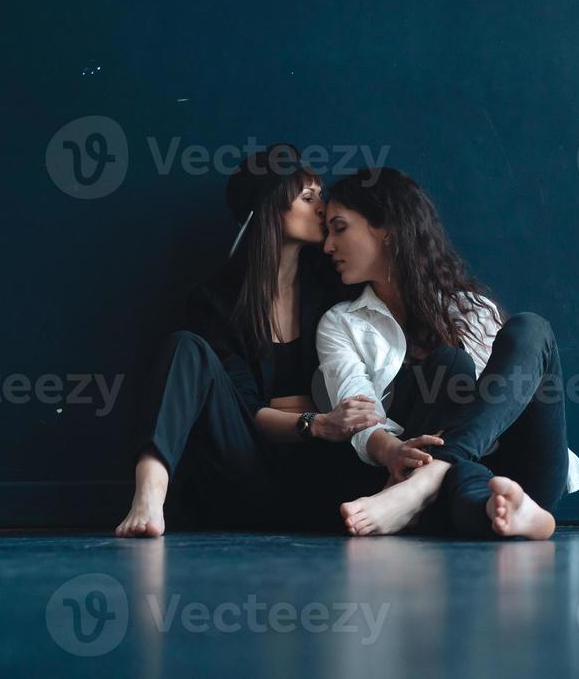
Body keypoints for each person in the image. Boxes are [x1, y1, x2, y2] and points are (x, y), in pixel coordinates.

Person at [115, 145, 387, 537]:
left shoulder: (335, 283)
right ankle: (150, 494)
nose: (323, 209)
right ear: (271, 209)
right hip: (249, 468)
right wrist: (317, 423)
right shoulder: (217, 300)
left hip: (333, 476)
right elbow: (245, 405)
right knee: (185, 347)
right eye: (308, 198)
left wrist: (333, 428)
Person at [316, 167, 579, 540]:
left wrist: (441, 462)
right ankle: (524, 518)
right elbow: (357, 412)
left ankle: (434, 478)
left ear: (386, 228)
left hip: (518, 461)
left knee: (531, 328)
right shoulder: (342, 323)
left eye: (340, 228)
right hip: (438, 477)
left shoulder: (472, 310)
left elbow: (506, 402)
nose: (327, 246)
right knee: (451, 369)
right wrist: (393, 452)